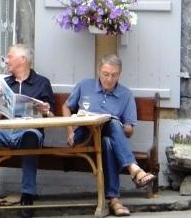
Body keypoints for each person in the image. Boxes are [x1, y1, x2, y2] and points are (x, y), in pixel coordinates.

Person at [0, 44, 56, 218]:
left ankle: (27, 197)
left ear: (22, 59)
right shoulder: (3, 83)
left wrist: (46, 111)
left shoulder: (42, 83)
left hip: (28, 131)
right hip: (4, 132)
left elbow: (52, 117)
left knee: (31, 136)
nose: (6, 60)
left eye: (9, 56)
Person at [62, 54, 155, 217]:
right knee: (109, 127)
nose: (109, 79)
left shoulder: (125, 94)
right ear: (99, 71)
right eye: (106, 74)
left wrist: (117, 126)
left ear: (119, 74)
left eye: (114, 75)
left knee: (107, 138)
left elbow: (129, 131)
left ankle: (114, 200)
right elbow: (66, 106)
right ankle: (134, 170)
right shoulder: (85, 85)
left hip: (106, 140)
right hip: (84, 137)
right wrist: (69, 131)